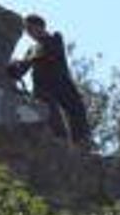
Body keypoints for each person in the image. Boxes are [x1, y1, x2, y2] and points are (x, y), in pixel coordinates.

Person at [7, 14, 92, 147]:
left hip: (61, 83)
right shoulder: (32, 50)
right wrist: (12, 68)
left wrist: (26, 61)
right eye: (27, 30)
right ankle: (59, 140)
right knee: (49, 115)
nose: (29, 33)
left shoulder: (55, 38)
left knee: (76, 111)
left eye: (30, 28)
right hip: (43, 89)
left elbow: (50, 52)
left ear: (40, 26)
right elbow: (21, 69)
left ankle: (81, 142)